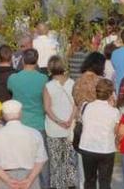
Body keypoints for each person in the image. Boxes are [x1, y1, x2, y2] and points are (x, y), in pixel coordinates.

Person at [7, 48, 50, 187]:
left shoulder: (13, 78)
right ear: (37, 61)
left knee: (20, 159)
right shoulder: (43, 79)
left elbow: (10, 90)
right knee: (41, 158)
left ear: (23, 60)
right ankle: (44, 184)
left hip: (20, 122)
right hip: (38, 122)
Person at [0, 99, 47, 189]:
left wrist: (8, 180)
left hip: (5, 176)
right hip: (30, 174)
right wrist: (29, 179)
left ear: (3, 115)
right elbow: (41, 160)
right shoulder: (34, 133)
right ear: (20, 113)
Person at [78, 78, 120, 189]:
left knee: (89, 180)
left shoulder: (86, 106)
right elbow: (116, 131)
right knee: (105, 181)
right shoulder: (114, 111)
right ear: (111, 94)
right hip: (106, 148)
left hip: (87, 146)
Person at [43, 56, 77, 189]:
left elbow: (47, 108)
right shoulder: (72, 83)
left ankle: (57, 185)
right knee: (69, 160)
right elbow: (76, 104)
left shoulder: (48, 86)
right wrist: (69, 120)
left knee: (56, 162)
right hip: (70, 128)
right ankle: (71, 184)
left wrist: (59, 121)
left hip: (54, 128)